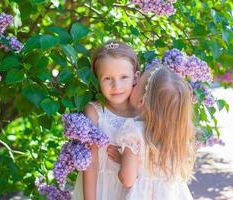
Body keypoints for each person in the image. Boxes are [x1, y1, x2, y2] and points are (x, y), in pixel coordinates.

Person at [113, 64, 195, 199]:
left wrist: (123, 160)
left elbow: (127, 180)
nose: (132, 85)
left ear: (141, 101)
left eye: (136, 85)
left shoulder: (134, 133)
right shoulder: (177, 137)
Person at [72, 41, 140, 200]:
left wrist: (125, 160)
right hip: (101, 190)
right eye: (108, 78)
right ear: (97, 80)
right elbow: (91, 164)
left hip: (136, 191)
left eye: (124, 77)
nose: (116, 85)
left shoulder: (144, 112)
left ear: (135, 77)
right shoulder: (95, 112)